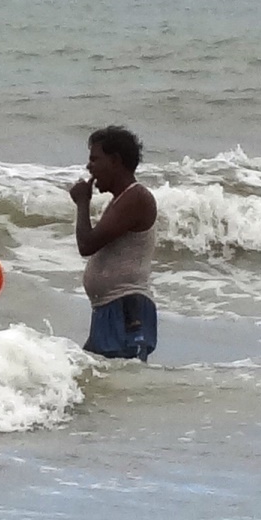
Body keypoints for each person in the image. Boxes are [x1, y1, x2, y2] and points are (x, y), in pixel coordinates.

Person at [72, 126, 159, 360]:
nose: (89, 167)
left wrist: (82, 202)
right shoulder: (121, 200)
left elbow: (87, 245)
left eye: (94, 159)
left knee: (122, 384)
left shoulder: (136, 198)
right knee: (100, 384)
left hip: (126, 308)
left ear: (115, 160)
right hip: (110, 309)